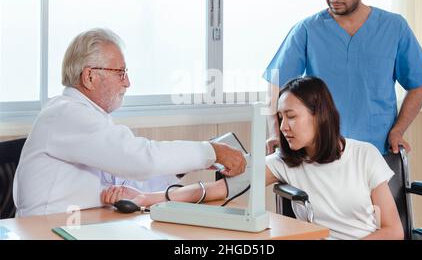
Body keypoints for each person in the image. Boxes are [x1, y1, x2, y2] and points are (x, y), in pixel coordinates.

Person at [102, 77, 404, 240]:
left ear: (319, 115)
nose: (284, 127)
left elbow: (392, 230)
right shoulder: (286, 162)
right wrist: (147, 198)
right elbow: (218, 190)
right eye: (280, 117)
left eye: (292, 117)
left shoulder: (363, 155)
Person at [12, 28, 246, 217]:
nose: (128, 83)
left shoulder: (90, 118)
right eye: (120, 72)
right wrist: (211, 151)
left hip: (82, 223)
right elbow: (139, 159)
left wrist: (187, 164)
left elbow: (132, 180)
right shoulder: (66, 115)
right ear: (89, 76)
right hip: (46, 230)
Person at [263, 0, 422, 155]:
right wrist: (275, 132)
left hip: (378, 150)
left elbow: (417, 85)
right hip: (322, 149)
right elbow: (275, 85)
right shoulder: (307, 30)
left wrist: (398, 131)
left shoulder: (394, 27)